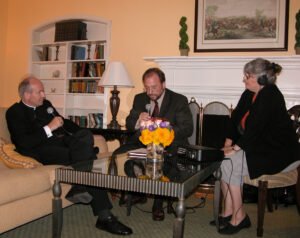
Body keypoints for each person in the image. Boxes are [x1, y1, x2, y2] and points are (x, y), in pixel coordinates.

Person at [6, 75, 133, 236]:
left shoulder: (45, 105)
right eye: (40, 92)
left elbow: (64, 122)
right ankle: (105, 216)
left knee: (85, 136)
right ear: (27, 95)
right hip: (40, 150)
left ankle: (79, 185)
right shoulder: (14, 112)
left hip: (61, 142)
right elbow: (23, 142)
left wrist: (83, 133)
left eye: (43, 91)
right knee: (88, 159)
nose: (44, 95)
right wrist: (49, 128)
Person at [212, 58, 300, 235]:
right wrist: (227, 144)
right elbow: (235, 119)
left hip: (280, 153)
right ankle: (229, 212)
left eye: (247, 76)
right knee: (224, 159)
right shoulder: (249, 93)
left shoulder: (271, 95)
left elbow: (255, 129)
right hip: (261, 147)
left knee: (232, 161)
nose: (244, 79)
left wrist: (235, 149)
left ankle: (240, 216)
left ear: (261, 79)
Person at [113, 67, 193, 221]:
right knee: (121, 156)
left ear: (163, 84)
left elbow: (187, 128)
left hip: (169, 145)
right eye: (147, 87)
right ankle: (140, 192)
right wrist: (138, 120)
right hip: (143, 143)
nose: (150, 91)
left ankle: (158, 202)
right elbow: (130, 124)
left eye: (154, 87)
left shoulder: (178, 100)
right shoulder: (140, 99)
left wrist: (162, 128)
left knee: (167, 164)